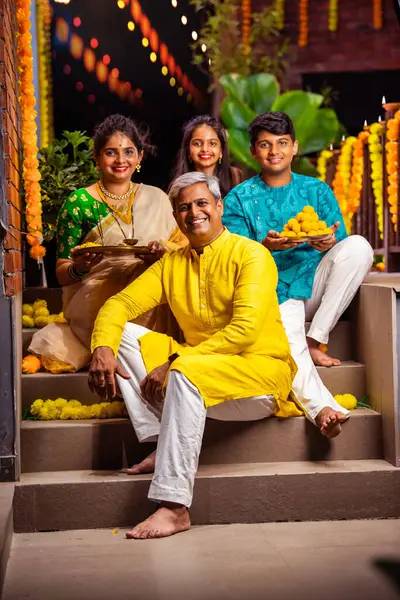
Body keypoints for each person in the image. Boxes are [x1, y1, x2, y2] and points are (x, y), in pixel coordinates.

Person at [89, 172, 301, 539]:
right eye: (183, 207)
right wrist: (102, 346)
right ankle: (160, 441)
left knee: (185, 372)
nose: (194, 213)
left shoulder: (251, 254)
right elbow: (121, 303)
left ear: (219, 207)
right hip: (201, 368)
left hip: (259, 375)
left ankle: (174, 506)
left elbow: (244, 331)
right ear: (176, 217)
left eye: (202, 203)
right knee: (121, 332)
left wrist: (175, 363)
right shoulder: (173, 264)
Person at [223, 111, 374, 437]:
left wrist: (328, 242)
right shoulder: (238, 199)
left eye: (281, 143)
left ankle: (316, 337)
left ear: (294, 148)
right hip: (270, 290)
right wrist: (264, 246)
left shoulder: (317, 191)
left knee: (359, 246)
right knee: (286, 330)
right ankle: (323, 410)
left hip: (313, 282)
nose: (274, 151)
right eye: (265, 144)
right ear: (253, 151)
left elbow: (341, 244)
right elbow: (233, 256)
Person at [29, 114, 186, 373]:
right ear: (97, 157)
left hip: (149, 307)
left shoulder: (157, 198)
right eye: (111, 152)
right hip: (93, 308)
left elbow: (182, 248)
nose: (121, 160)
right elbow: (62, 272)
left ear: (140, 157)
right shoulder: (79, 203)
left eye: (128, 152)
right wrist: (79, 268)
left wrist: (163, 252)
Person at [172, 115, 242, 197]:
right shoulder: (178, 188)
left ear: (221, 151)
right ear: (188, 151)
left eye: (212, 143)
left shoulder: (234, 178)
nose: (205, 149)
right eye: (197, 143)